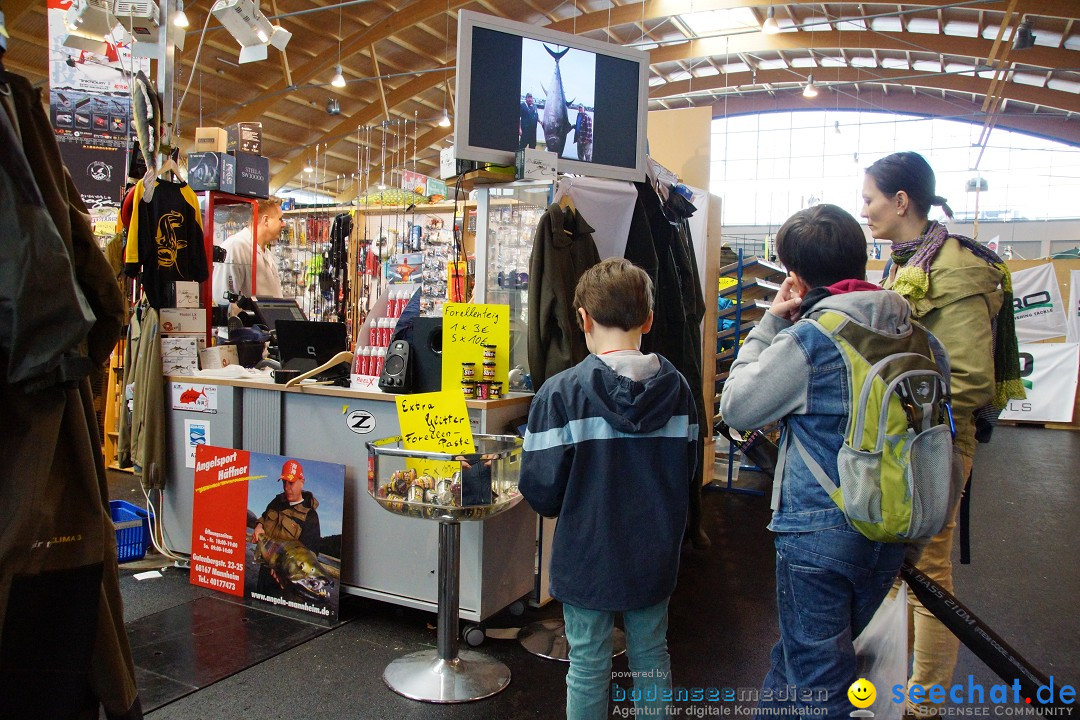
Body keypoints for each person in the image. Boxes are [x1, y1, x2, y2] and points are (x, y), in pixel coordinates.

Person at [719, 204, 948, 719]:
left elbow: (737, 406)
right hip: (892, 528)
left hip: (818, 535)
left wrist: (768, 325)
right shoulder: (921, 337)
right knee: (800, 660)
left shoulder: (813, 337)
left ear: (794, 276)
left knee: (820, 682)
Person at [861, 152, 1023, 718]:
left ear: (900, 201)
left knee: (928, 573)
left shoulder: (955, 269)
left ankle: (923, 703)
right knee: (896, 572)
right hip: (902, 443)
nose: (865, 211)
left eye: (871, 199)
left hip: (934, 444)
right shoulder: (909, 261)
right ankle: (893, 686)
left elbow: (972, 380)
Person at [519, 258, 699, 720]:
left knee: (587, 665)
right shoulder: (679, 391)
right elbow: (687, 473)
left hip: (586, 553)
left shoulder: (559, 394)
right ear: (649, 319)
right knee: (652, 656)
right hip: (655, 553)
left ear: (583, 319)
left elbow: (541, 491)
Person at [252, 459, 321, 595]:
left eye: (291, 482)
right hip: (263, 573)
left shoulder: (310, 516)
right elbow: (264, 517)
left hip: (284, 583)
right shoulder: (277, 501)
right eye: (284, 482)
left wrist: (282, 569)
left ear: (302, 481)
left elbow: (310, 555)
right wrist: (259, 526)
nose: (286, 487)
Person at [212, 196, 285, 314]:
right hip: (248, 330)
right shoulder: (235, 246)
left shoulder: (267, 254)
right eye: (280, 219)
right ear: (265, 220)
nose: (283, 224)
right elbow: (223, 300)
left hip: (267, 330)